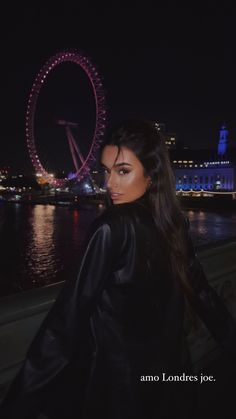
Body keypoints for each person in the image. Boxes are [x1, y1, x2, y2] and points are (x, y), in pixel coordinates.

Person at [0, 119, 236, 419]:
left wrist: (17, 403)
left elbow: (65, 323)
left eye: (123, 171)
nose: (109, 184)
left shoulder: (112, 227)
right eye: (106, 171)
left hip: (119, 391)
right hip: (171, 382)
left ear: (151, 174)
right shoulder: (175, 223)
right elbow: (202, 293)